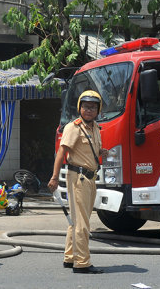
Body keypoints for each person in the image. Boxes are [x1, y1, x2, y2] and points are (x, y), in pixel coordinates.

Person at [48, 90, 108, 274]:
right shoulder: (73, 128)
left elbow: (90, 151)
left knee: (77, 220)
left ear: (98, 110)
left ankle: (70, 257)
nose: (88, 110)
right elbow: (61, 152)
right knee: (82, 222)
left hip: (90, 178)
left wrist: (101, 153)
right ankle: (82, 263)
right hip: (79, 178)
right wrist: (54, 177)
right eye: (85, 106)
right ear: (79, 108)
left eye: (92, 107)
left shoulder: (96, 128)